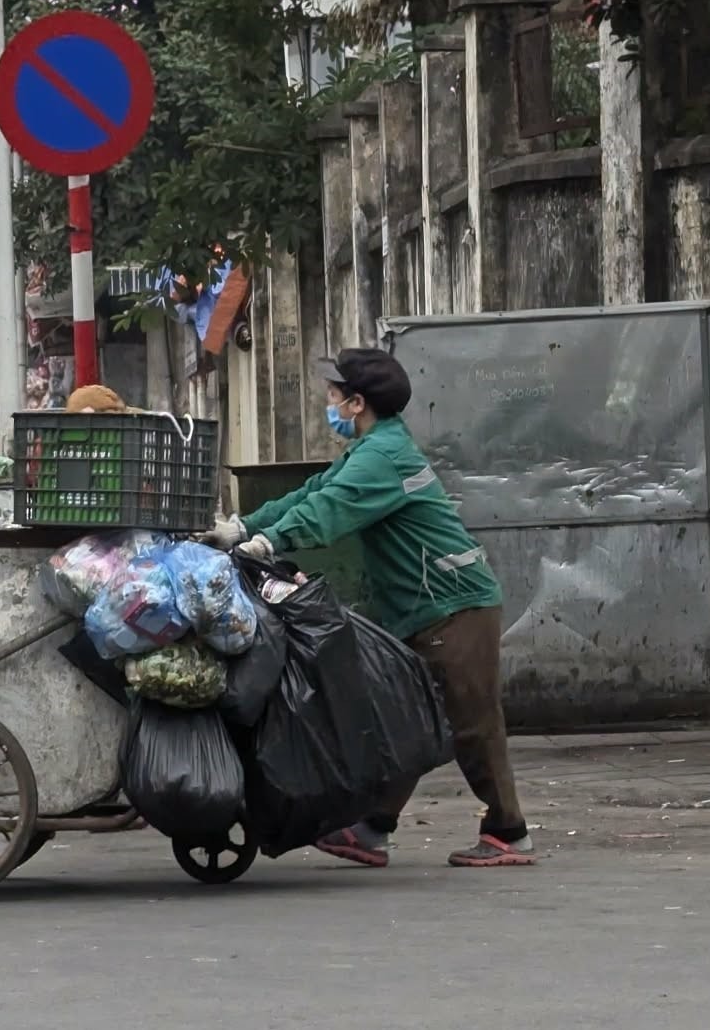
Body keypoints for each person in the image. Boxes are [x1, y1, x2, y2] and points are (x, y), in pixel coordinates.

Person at [203, 347, 533, 870]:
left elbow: (327, 510)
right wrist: (244, 527)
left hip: (455, 606)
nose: (327, 402)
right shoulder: (372, 448)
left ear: (356, 403)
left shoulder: (384, 457)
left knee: (471, 724)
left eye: (333, 394)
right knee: (403, 718)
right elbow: (314, 491)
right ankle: (373, 829)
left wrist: (269, 543)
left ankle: (508, 831)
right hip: (421, 607)